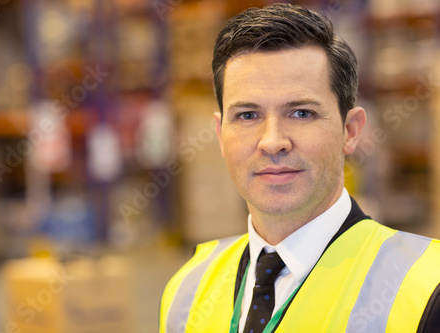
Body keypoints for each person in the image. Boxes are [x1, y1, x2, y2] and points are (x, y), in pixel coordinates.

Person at [160, 3, 440, 333]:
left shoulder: (425, 291)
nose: (272, 141)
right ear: (221, 135)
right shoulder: (186, 292)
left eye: (301, 113)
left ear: (350, 132)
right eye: (248, 116)